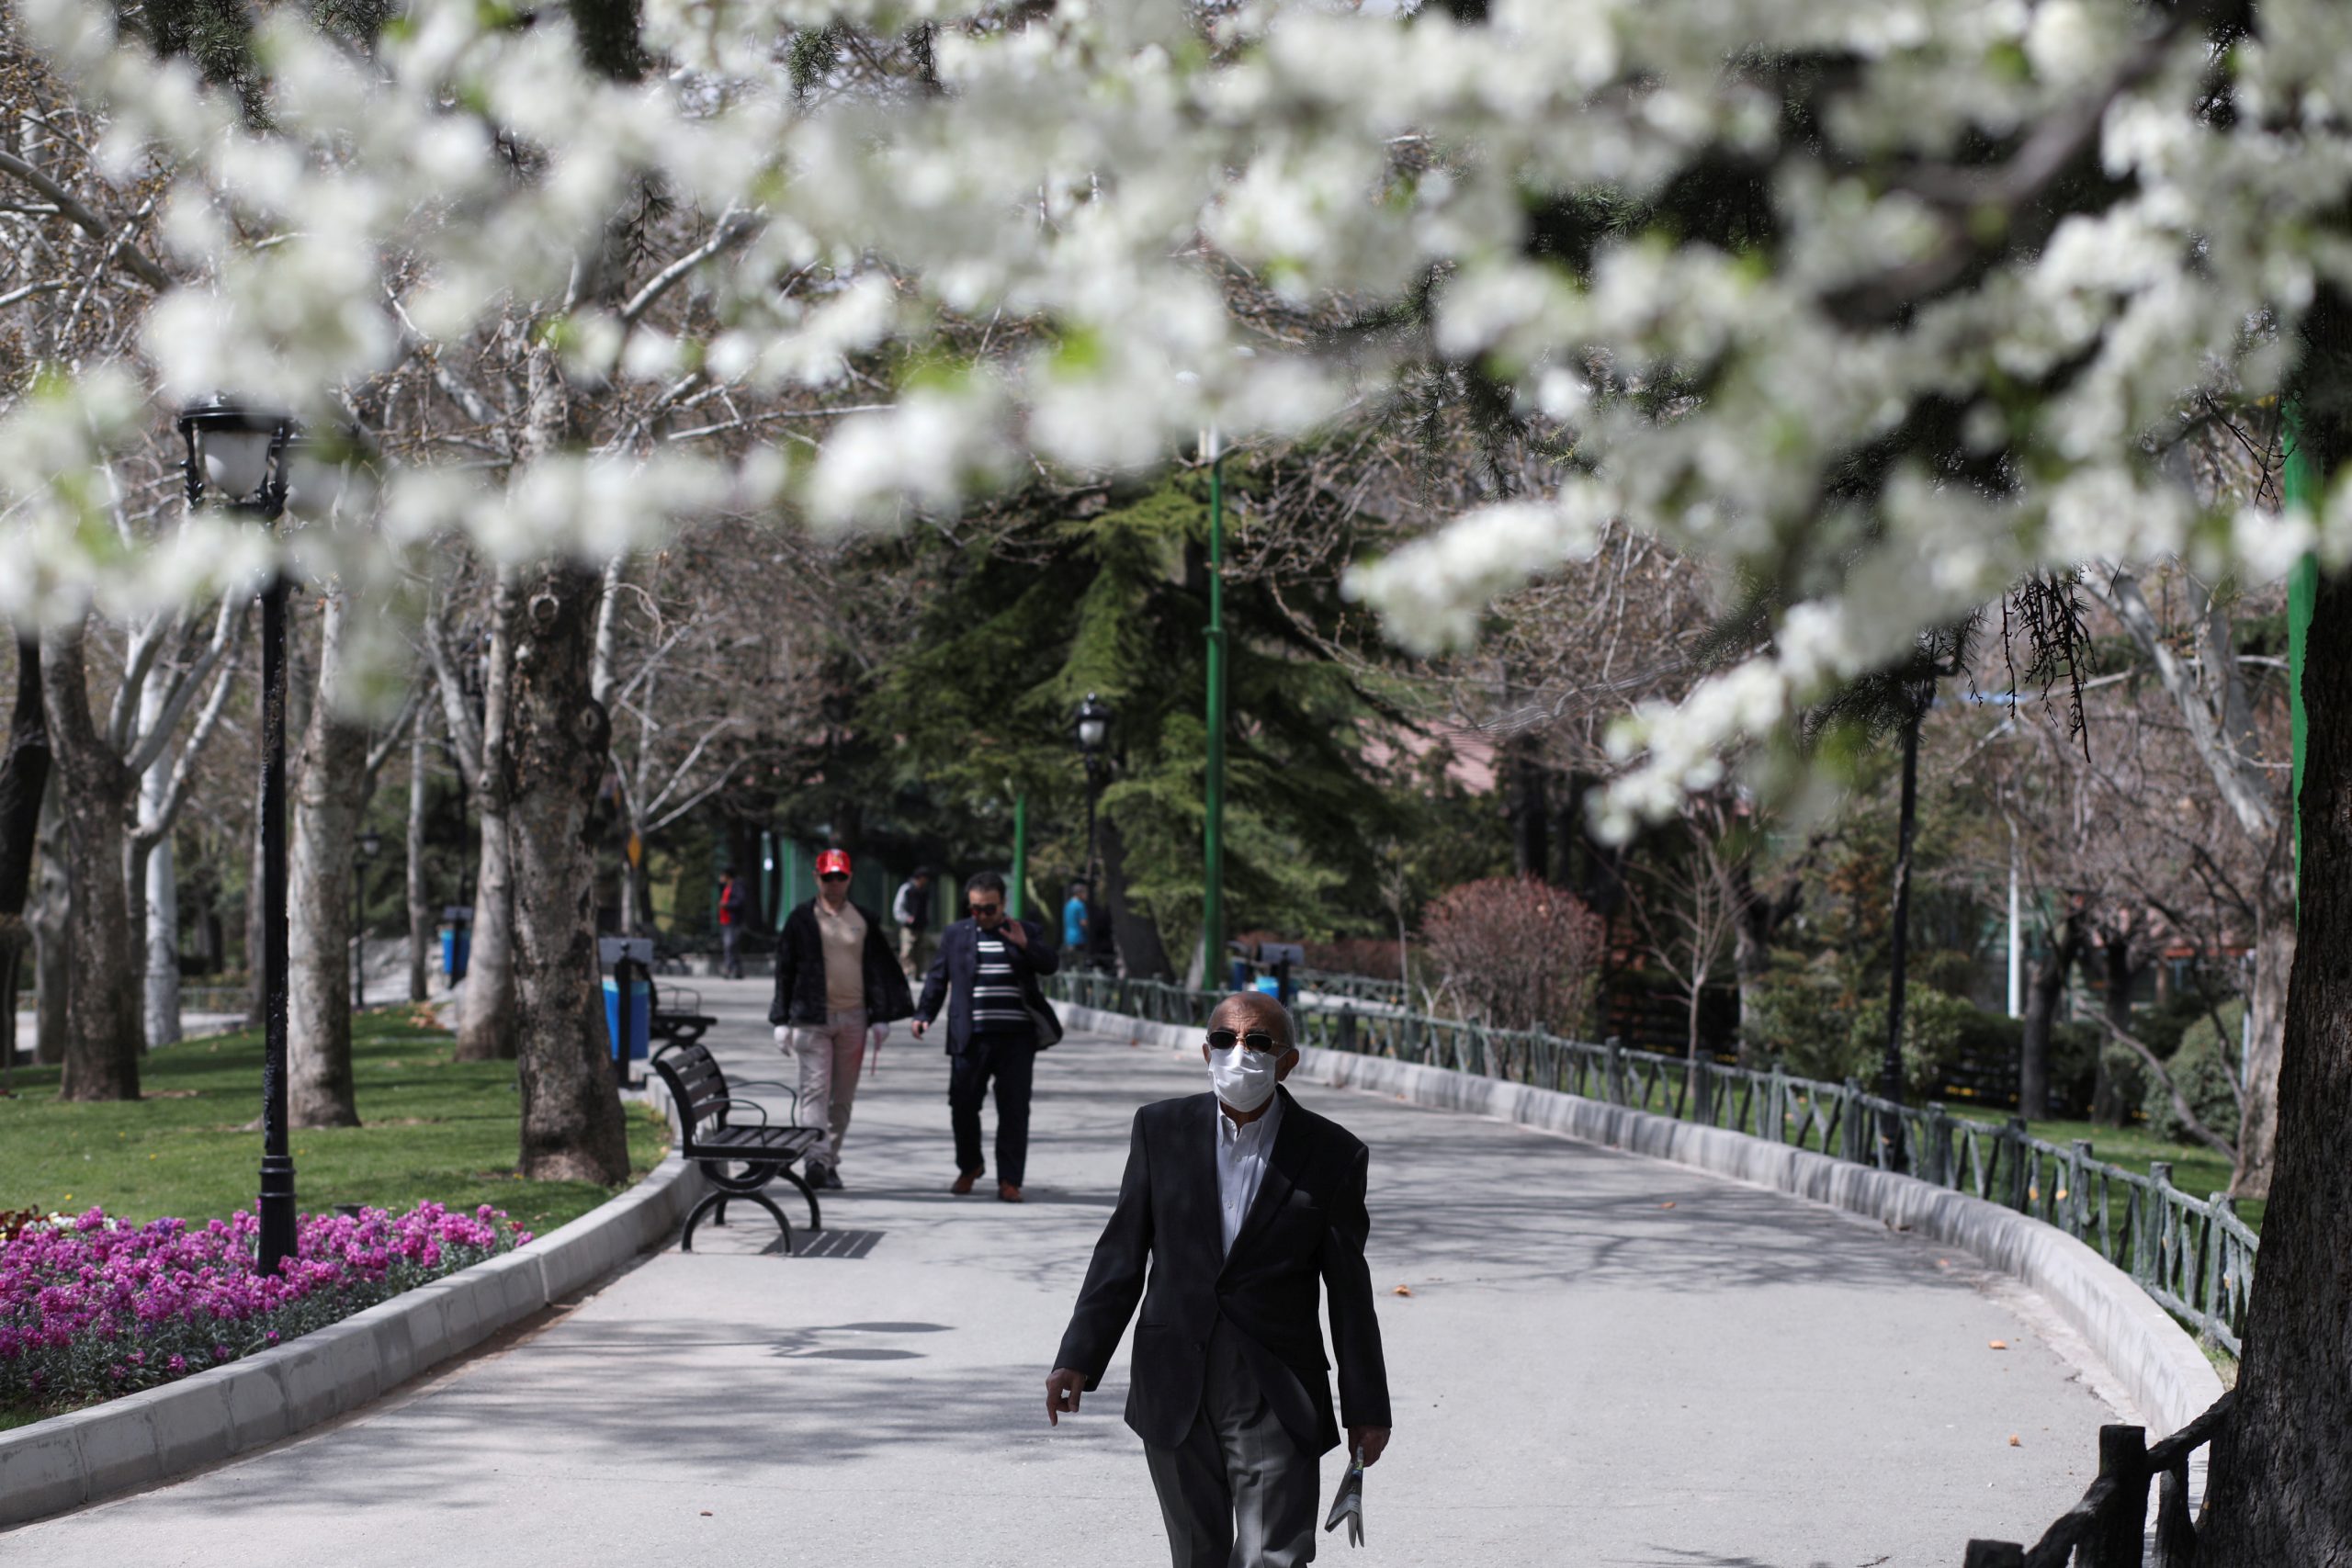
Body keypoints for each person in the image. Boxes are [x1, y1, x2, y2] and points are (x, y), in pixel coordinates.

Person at [1046, 991, 1392, 1568]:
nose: (1240, 1052)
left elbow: (1350, 1294)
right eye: (1226, 1040)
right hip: (1174, 1378)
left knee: (1272, 1557)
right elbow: (1121, 1253)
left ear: (1287, 1062)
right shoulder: (1160, 1130)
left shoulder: (1333, 1153)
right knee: (1195, 1555)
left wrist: (1367, 1406)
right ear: (1206, 1052)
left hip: (1275, 1388)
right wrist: (1078, 1355)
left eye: (1258, 1042)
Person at [911, 871, 1060, 1202]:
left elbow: (1051, 965)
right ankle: (970, 1166)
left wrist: (1025, 944)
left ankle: (1010, 1180)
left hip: (1016, 1039)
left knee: (1014, 1109)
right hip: (970, 1037)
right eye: (975, 908)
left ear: (1003, 903)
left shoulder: (1025, 931)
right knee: (962, 1104)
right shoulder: (956, 934)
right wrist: (924, 1015)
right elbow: (937, 978)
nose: (981, 915)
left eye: (989, 909)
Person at [770, 848, 912, 1190]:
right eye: (828, 877)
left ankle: (828, 1159)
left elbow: (878, 968)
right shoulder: (800, 919)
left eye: (840, 877)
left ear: (849, 878)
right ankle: (816, 1160)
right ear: (817, 878)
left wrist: (881, 1017)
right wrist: (781, 1020)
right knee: (814, 1091)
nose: (834, 883)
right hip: (810, 1018)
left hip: (854, 1019)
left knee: (842, 1098)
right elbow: (785, 970)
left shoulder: (864, 919)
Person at [893, 866, 934, 979]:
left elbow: (928, 908)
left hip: (921, 926)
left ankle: (917, 974)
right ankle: (905, 973)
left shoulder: (925, 891)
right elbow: (898, 907)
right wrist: (906, 918)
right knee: (907, 950)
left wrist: (926, 920)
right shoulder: (907, 889)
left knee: (920, 952)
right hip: (908, 927)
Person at [717, 865, 748, 979]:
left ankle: (728, 968)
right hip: (725, 920)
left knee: (729, 945)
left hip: (733, 920)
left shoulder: (737, 886)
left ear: (727, 876)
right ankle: (738, 971)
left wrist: (726, 905)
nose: (721, 877)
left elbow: (740, 901)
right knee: (733, 946)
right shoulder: (726, 886)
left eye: (722, 875)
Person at [1061, 879, 1091, 964]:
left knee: (1069, 964)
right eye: (1084, 892)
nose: (1086, 895)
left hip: (1068, 938)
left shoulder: (1068, 905)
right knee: (1080, 964)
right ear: (1079, 893)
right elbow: (1083, 922)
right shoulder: (1080, 905)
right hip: (1079, 939)